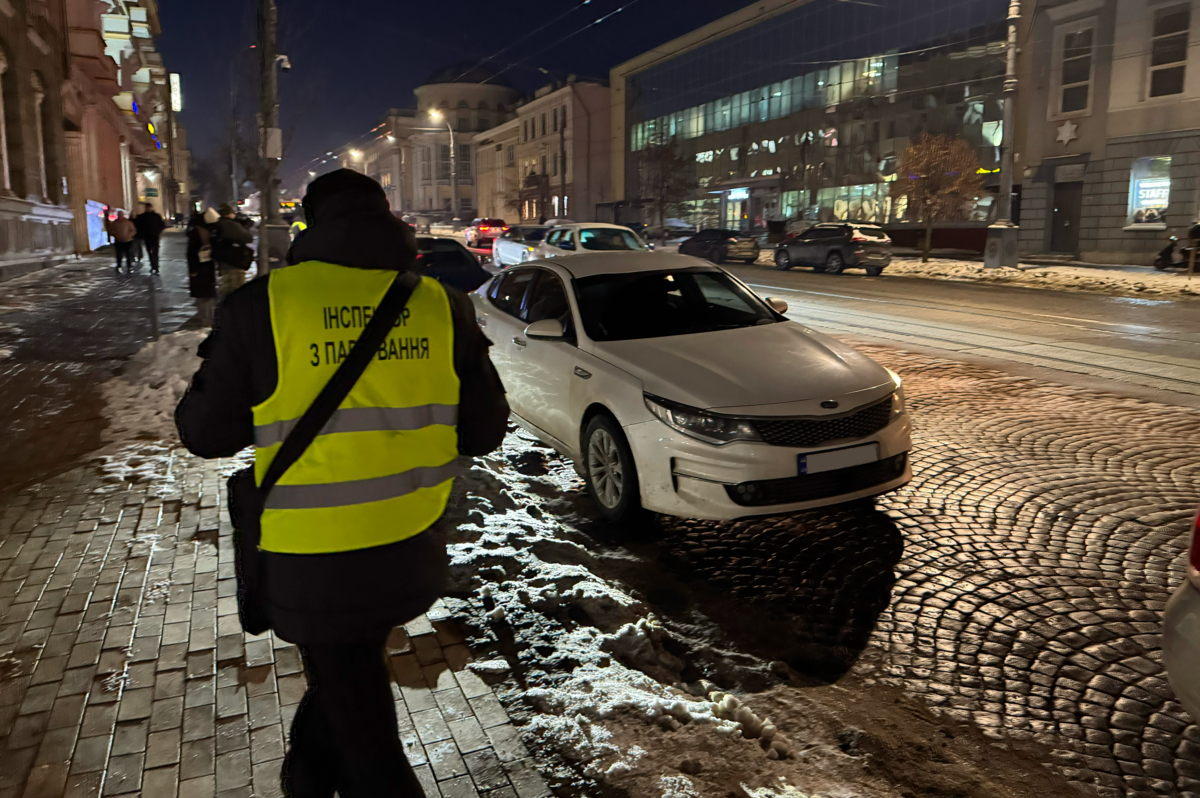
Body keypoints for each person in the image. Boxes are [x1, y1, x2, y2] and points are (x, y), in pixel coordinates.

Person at [174, 169, 509, 798]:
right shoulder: (441, 303)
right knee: (347, 686)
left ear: (312, 222)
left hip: (313, 559)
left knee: (365, 733)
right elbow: (485, 429)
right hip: (411, 543)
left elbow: (204, 434)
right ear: (386, 219)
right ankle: (305, 783)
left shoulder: (265, 305)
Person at [212, 203, 254, 298]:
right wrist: (244, 226)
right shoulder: (230, 225)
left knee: (226, 284)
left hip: (225, 260)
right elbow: (248, 238)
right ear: (230, 214)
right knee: (235, 288)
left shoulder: (219, 224)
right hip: (234, 261)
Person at [186, 211, 217, 326]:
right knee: (205, 294)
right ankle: (207, 318)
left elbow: (190, 253)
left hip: (201, 268)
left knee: (204, 294)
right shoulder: (201, 232)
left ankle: (206, 317)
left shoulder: (197, 232)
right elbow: (191, 253)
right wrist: (193, 270)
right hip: (203, 267)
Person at [135, 203, 167, 274]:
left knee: (155, 252)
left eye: (149, 207)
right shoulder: (143, 217)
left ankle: (156, 266)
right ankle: (153, 266)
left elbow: (162, 225)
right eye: (147, 208)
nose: (148, 209)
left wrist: (158, 231)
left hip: (155, 237)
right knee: (149, 252)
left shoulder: (156, 216)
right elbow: (138, 225)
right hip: (147, 237)